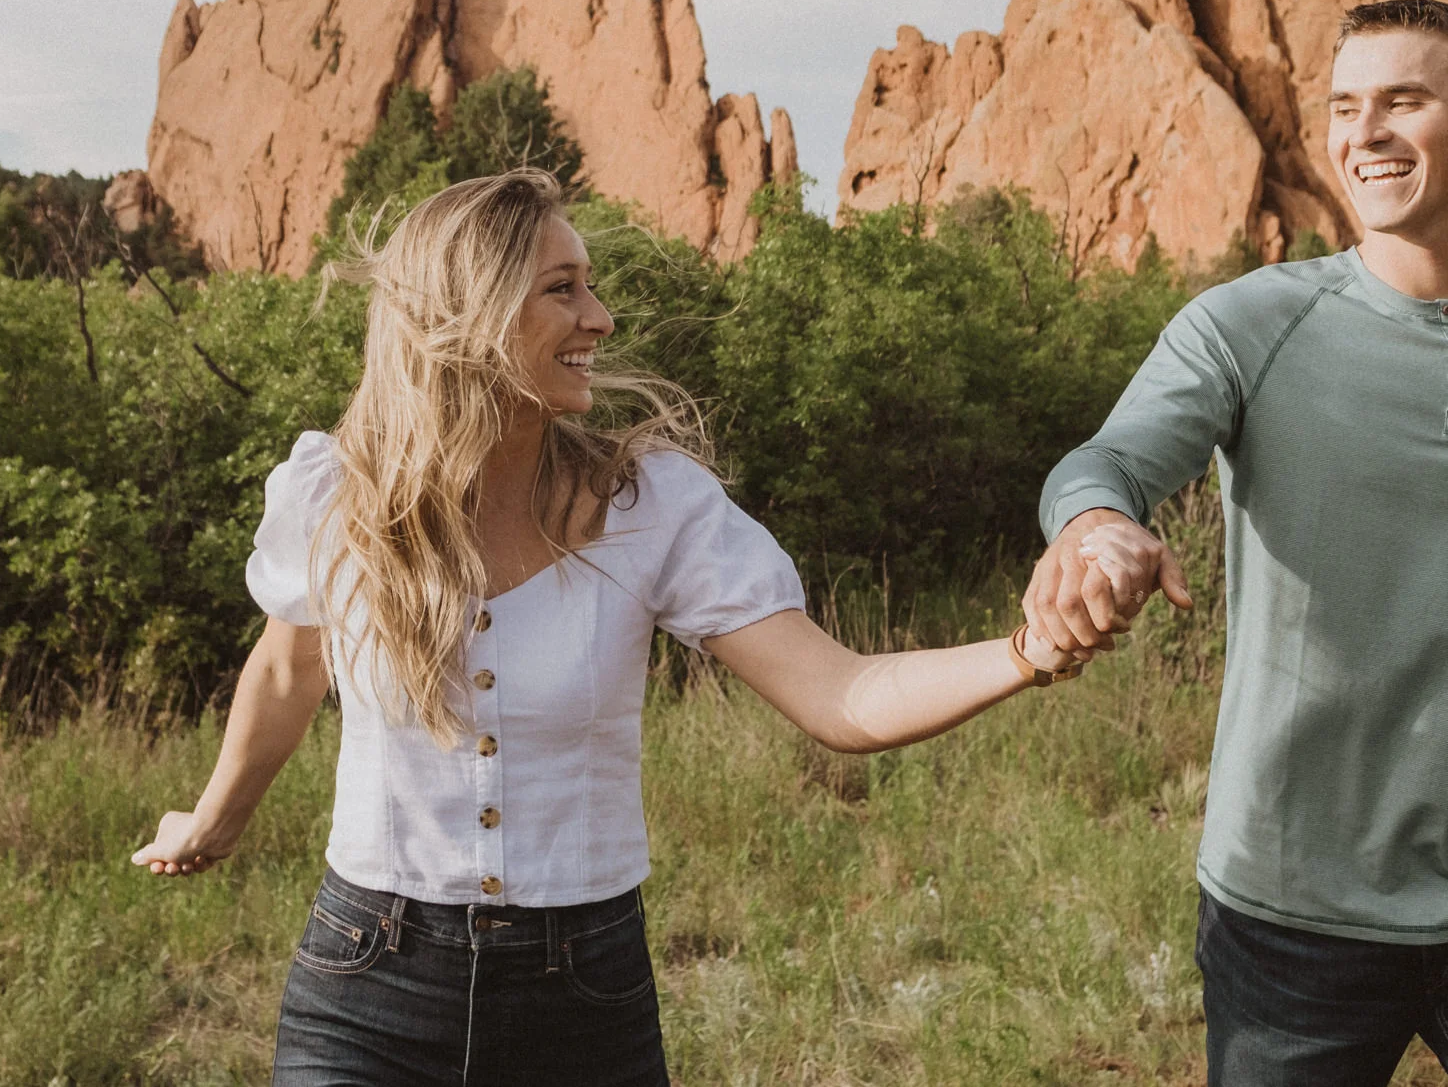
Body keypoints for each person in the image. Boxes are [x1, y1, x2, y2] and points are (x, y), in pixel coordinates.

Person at [133, 168, 1083, 1087]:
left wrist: (1026, 652)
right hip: (365, 981)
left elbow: (840, 693)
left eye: (591, 285)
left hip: (582, 997)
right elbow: (286, 673)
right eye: (563, 289)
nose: (601, 317)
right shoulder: (338, 496)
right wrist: (213, 819)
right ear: (473, 314)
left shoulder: (653, 507)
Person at [1023, 0, 1448, 1087]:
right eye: (1344, 106)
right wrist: (1096, 527)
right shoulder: (1245, 327)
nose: (1364, 132)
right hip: (1290, 911)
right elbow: (1104, 464)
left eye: (1403, 101)